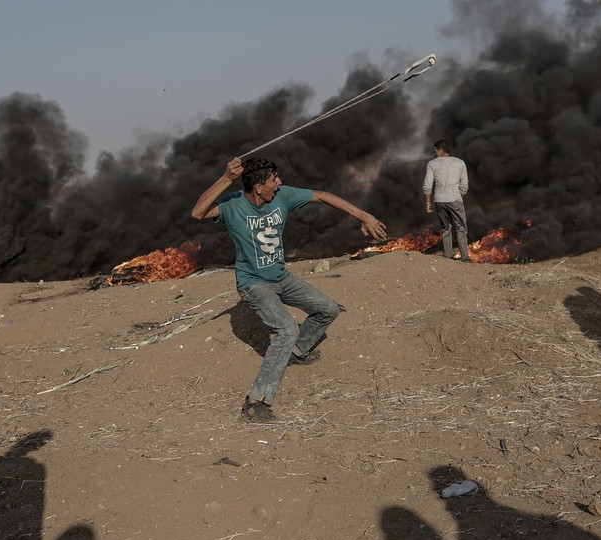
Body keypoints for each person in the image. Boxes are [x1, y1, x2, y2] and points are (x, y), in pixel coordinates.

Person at [191, 156, 387, 423]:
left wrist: (363, 215)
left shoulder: (282, 196)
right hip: (254, 284)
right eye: (274, 180)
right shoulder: (232, 205)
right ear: (258, 187)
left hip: (282, 278)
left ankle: (297, 352)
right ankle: (255, 403)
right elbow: (197, 212)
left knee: (327, 309)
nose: (279, 183)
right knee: (286, 328)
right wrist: (226, 178)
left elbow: (322, 195)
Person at [423, 139, 470, 261]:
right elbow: (464, 184)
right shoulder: (459, 163)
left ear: (440, 150)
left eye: (435, 151)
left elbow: (427, 185)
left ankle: (448, 256)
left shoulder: (432, 164)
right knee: (461, 228)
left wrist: (428, 202)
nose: (434, 153)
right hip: (455, 199)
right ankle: (464, 258)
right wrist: (460, 196)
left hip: (439, 201)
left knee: (446, 228)